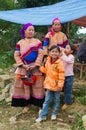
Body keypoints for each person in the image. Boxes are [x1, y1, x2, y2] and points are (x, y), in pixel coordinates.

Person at [11, 23, 45, 113]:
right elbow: (16, 55)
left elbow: (41, 54)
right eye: (29, 30)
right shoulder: (20, 43)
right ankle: (27, 105)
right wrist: (22, 65)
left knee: (38, 86)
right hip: (24, 67)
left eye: (33, 30)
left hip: (36, 68)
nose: (31, 31)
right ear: (24, 31)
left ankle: (39, 106)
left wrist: (36, 64)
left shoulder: (38, 42)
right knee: (25, 86)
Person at [36, 45, 65, 122]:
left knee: (56, 100)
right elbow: (46, 71)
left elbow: (62, 75)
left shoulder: (60, 63)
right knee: (47, 100)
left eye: (56, 52)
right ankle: (43, 115)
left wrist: (60, 85)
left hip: (56, 86)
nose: (54, 53)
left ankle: (54, 113)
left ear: (59, 53)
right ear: (49, 52)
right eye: (52, 51)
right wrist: (40, 68)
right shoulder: (48, 61)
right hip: (49, 85)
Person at [61, 44, 75, 110]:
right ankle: (68, 99)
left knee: (68, 90)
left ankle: (67, 103)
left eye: (67, 48)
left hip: (69, 76)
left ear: (71, 51)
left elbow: (67, 60)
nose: (65, 49)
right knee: (64, 89)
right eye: (65, 47)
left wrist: (62, 53)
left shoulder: (71, 56)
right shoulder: (63, 56)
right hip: (63, 76)